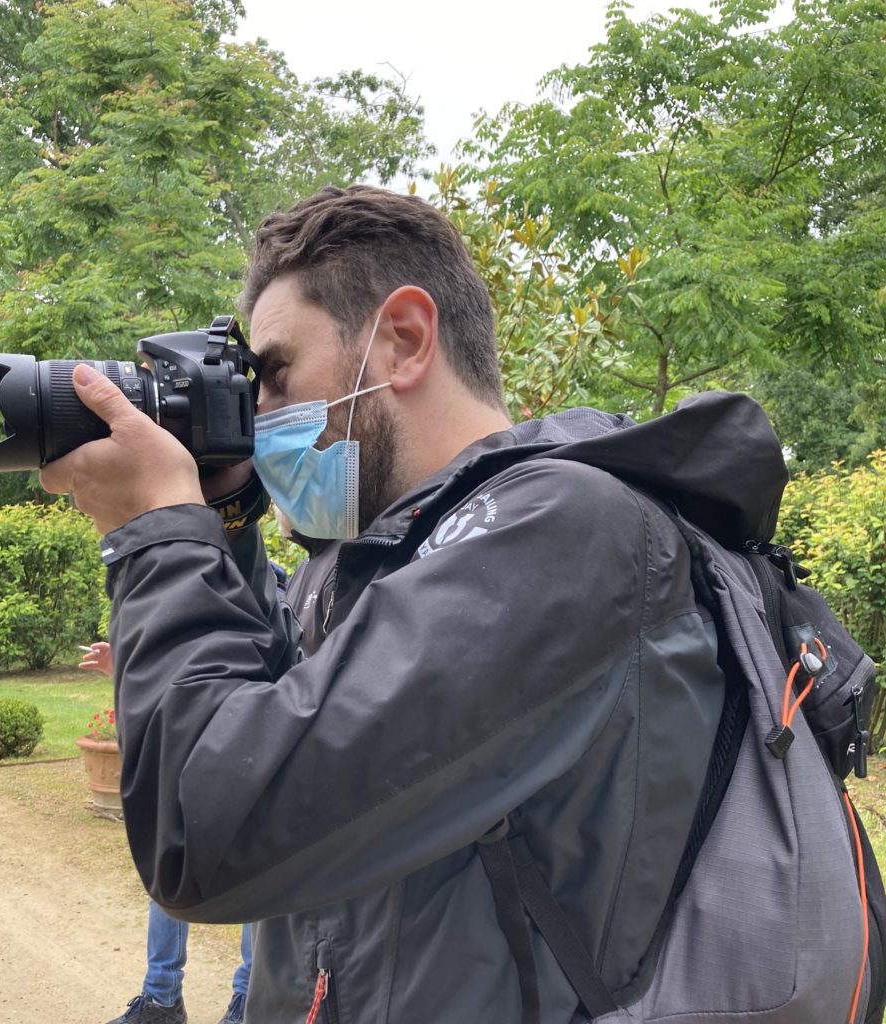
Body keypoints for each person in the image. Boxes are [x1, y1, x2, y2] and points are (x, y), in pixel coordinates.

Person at [39, 186, 784, 1021]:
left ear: (403, 340)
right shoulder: (371, 561)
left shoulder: (563, 532)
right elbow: (272, 737)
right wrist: (225, 521)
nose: (258, 418)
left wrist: (155, 532)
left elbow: (205, 832)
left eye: (276, 374)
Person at [79, 642, 192, 1024]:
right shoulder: (182, 593)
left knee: (255, 872)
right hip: (181, 750)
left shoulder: (270, 595)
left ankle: (246, 1000)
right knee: (166, 863)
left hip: (245, 750)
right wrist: (123, 672)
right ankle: (162, 1001)